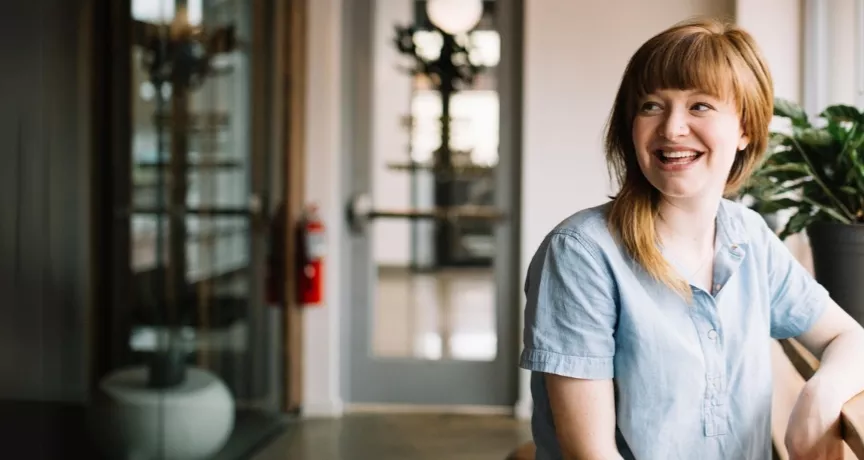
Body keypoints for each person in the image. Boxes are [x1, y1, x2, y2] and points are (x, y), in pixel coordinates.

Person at [519, 17, 864, 460]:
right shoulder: (580, 253)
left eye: (699, 105)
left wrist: (819, 398)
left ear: (744, 129)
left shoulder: (749, 236)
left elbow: (848, 338)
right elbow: (592, 454)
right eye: (651, 106)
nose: (671, 128)